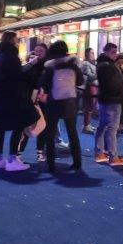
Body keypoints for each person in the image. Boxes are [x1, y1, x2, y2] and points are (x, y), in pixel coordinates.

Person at [0, 31, 37, 172]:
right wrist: (30, 65)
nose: (18, 41)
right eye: (16, 39)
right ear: (11, 40)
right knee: (18, 126)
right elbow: (17, 76)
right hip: (12, 97)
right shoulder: (12, 57)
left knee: (0, 128)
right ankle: (12, 159)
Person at [40, 41, 83, 172]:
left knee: (50, 133)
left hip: (54, 102)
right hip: (70, 101)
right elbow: (81, 81)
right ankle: (77, 162)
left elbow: (45, 86)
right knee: (72, 132)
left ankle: (51, 164)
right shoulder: (74, 66)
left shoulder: (50, 67)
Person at [93, 43, 123, 167]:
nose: (115, 54)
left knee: (103, 125)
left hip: (106, 99)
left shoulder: (103, 64)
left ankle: (100, 152)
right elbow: (113, 84)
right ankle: (113, 156)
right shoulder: (107, 66)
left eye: (116, 52)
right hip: (112, 100)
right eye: (113, 52)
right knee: (112, 128)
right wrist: (122, 92)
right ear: (107, 52)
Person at [21, 44, 48, 160]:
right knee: (26, 125)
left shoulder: (48, 66)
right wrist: (30, 64)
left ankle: (40, 152)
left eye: (41, 51)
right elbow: (23, 77)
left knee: (42, 125)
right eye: (36, 51)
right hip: (29, 98)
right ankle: (19, 153)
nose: (38, 53)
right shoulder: (29, 65)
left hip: (43, 97)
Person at [80, 47, 98, 134]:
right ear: (87, 54)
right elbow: (90, 75)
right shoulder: (86, 63)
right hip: (90, 86)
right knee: (89, 106)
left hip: (94, 86)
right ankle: (86, 125)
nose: (93, 55)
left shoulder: (92, 63)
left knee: (91, 106)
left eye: (93, 53)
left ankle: (88, 123)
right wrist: (98, 73)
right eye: (91, 53)